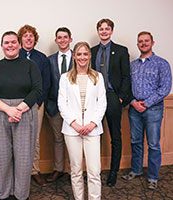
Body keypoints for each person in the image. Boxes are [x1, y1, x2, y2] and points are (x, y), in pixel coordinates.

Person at [0, 31, 42, 200]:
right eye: (6, 42)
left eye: (13, 42)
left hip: (25, 112)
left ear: (19, 44)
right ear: (1, 46)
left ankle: (22, 195)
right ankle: (4, 193)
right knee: (1, 157)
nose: (10, 45)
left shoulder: (30, 66)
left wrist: (19, 109)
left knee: (24, 157)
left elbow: (37, 90)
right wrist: (8, 109)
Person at [122, 31, 172, 190]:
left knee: (153, 144)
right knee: (135, 141)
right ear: (137, 44)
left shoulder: (162, 64)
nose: (143, 43)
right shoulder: (133, 65)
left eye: (146, 41)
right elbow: (127, 86)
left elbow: (165, 88)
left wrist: (147, 103)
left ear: (152, 42)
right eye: (140, 41)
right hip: (134, 109)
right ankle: (136, 170)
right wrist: (133, 102)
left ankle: (153, 176)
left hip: (154, 109)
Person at [58, 42, 106, 200]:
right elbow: (62, 104)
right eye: (79, 54)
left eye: (85, 54)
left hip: (93, 129)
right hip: (72, 130)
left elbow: (102, 103)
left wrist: (92, 124)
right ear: (74, 56)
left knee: (94, 171)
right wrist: (75, 124)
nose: (82, 57)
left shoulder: (97, 77)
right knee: (76, 170)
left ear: (90, 56)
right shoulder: (65, 78)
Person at [91, 18, 132, 187]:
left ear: (112, 31)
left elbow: (126, 76)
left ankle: (113, 172)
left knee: (115, 136)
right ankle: (95, 171)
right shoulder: (92, 51)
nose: (104, 31)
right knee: (95, 136)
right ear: (98, 31)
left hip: (113, 97)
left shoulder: (121, 51)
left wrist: (121, 97)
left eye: (107, 29)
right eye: (101, 29)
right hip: (95, 98)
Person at [17, 24, 51, 186]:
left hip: (37, 104)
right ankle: (20, 172)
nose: (28, 38)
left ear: (34, 39)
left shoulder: (41, 58)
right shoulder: (15, 56)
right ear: (20, 39)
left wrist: (38, 101)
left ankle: (34, 170)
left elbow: (46, 82)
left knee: (34, 139)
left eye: (31, 36)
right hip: (17, 105)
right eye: (25, 36)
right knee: (18, 138)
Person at [46, 27, 73, 182]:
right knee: (58, 139)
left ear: (70, 39)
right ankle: (59, 169)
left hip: (73, 108)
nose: (62, 40)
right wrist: (49, 106)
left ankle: (72, 171)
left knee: (73, 139)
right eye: (59, 37)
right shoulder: (49, 60)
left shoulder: (78, 58)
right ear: (56, 40)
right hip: (54, 107)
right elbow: (47, 83)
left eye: (65, 37)